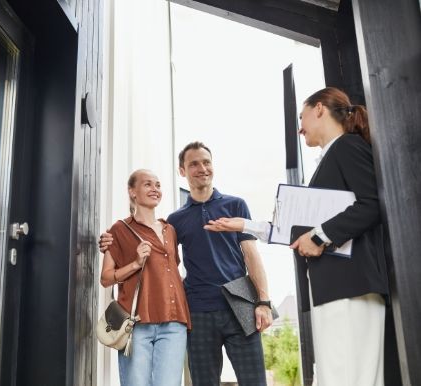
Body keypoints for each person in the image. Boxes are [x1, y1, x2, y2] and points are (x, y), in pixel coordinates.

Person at [206, 87, 389, 386]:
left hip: (351, 286)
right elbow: (295, 229)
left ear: (320, 109)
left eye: (301, 116)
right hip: (334, 289)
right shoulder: (331, 157)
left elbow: (371, 204)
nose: (299, 126)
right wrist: (245, 225)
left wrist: (319, 237)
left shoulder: (346, 147)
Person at [101, 143, 273, 386]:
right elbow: (161, 260)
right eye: (194, 164)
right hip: (197, 311)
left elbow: (252, 255)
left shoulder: (236, 205)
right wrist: (110, 241)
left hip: (240, 306)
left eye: (207, 162)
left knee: (255, 381)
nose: (202, 168)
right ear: (182, 171)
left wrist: (263, 302)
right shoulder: (175, 221)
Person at [100, 169, 191, 386]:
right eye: (148, 184)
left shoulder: (170, 230)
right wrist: (135, 264)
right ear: (132, 192)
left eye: (158, 185)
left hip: (174, 321)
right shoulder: (119, 229)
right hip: (137, 323)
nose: (155, 189)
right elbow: (105, 278)